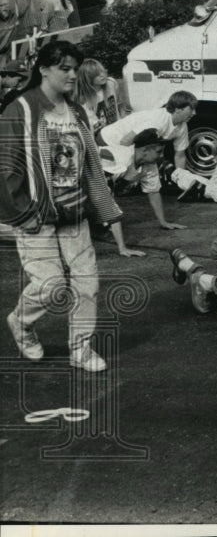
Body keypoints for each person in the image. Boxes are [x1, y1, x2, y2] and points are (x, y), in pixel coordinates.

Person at [1, 41, 124, 372]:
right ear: (44, 70)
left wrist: (103, 207)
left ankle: (80, 348)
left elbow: (90, 164)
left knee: (88, 283)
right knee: (51, 285)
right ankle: (21, 323)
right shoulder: (20, 109)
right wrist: (21, 212)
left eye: (75, 68)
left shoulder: (77, 111)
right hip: (36, 215)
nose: (72, 75)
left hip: (76, 214)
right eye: (64, 69)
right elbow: (5, 166)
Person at [98, 126, 184, 232]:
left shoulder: (150, 165)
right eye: (158, 151)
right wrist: (110, 221)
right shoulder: (120, 157)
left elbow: (153, 192)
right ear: (145, 150)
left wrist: (163, 222)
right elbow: (101, 189)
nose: (162, 156)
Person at [97, 89, 197, 177]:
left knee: (149, 176)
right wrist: (132, 169)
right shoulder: (157, 120)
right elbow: (125, 141)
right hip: (109, 140)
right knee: (113, 179)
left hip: (129, 144)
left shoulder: (182, 126)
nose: (194, 113)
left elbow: (180, 155)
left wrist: (182, 178)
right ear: (178, 109)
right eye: (191, 109)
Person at [73, 57, 124, 133]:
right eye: (96, 74)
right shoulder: (84, 101)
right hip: (102, 134)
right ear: (87, 79)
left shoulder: (111, 83)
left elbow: (118, 104)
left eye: (102, 71)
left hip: (118, 126)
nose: (102, 75)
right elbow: (94, 127)